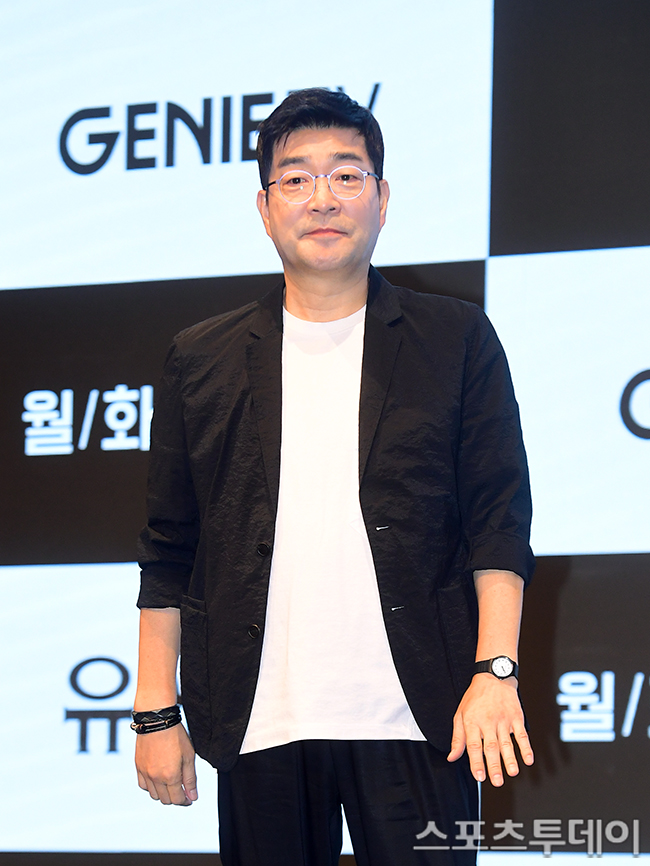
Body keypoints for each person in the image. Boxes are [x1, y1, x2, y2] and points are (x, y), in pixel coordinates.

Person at [133, 88, 535, 866]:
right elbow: (170, 545)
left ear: (382, 199)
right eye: (296, 178)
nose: (323, 198)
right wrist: (156, 710)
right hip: (260, 718)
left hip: (423, 715)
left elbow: (497, 521)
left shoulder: (454, 339)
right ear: (264, 207)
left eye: (347, 175)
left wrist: (496, 672)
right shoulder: (201, 358)